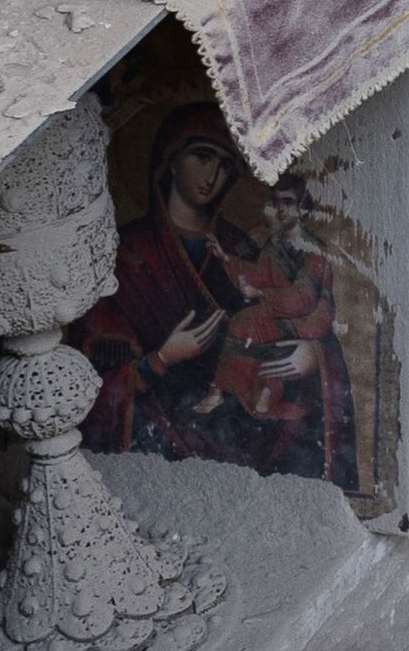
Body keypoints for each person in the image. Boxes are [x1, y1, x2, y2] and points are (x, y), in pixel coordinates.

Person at [78, 102, 348, 481]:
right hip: (158, 439)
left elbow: (296, 312)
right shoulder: (126, 255)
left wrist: (311, 354)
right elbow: (87, 374)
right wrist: (160, 359)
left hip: (242, 426)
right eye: (203, 157)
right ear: (171, 160)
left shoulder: (240, 248)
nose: (213, 175)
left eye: (225, 166)